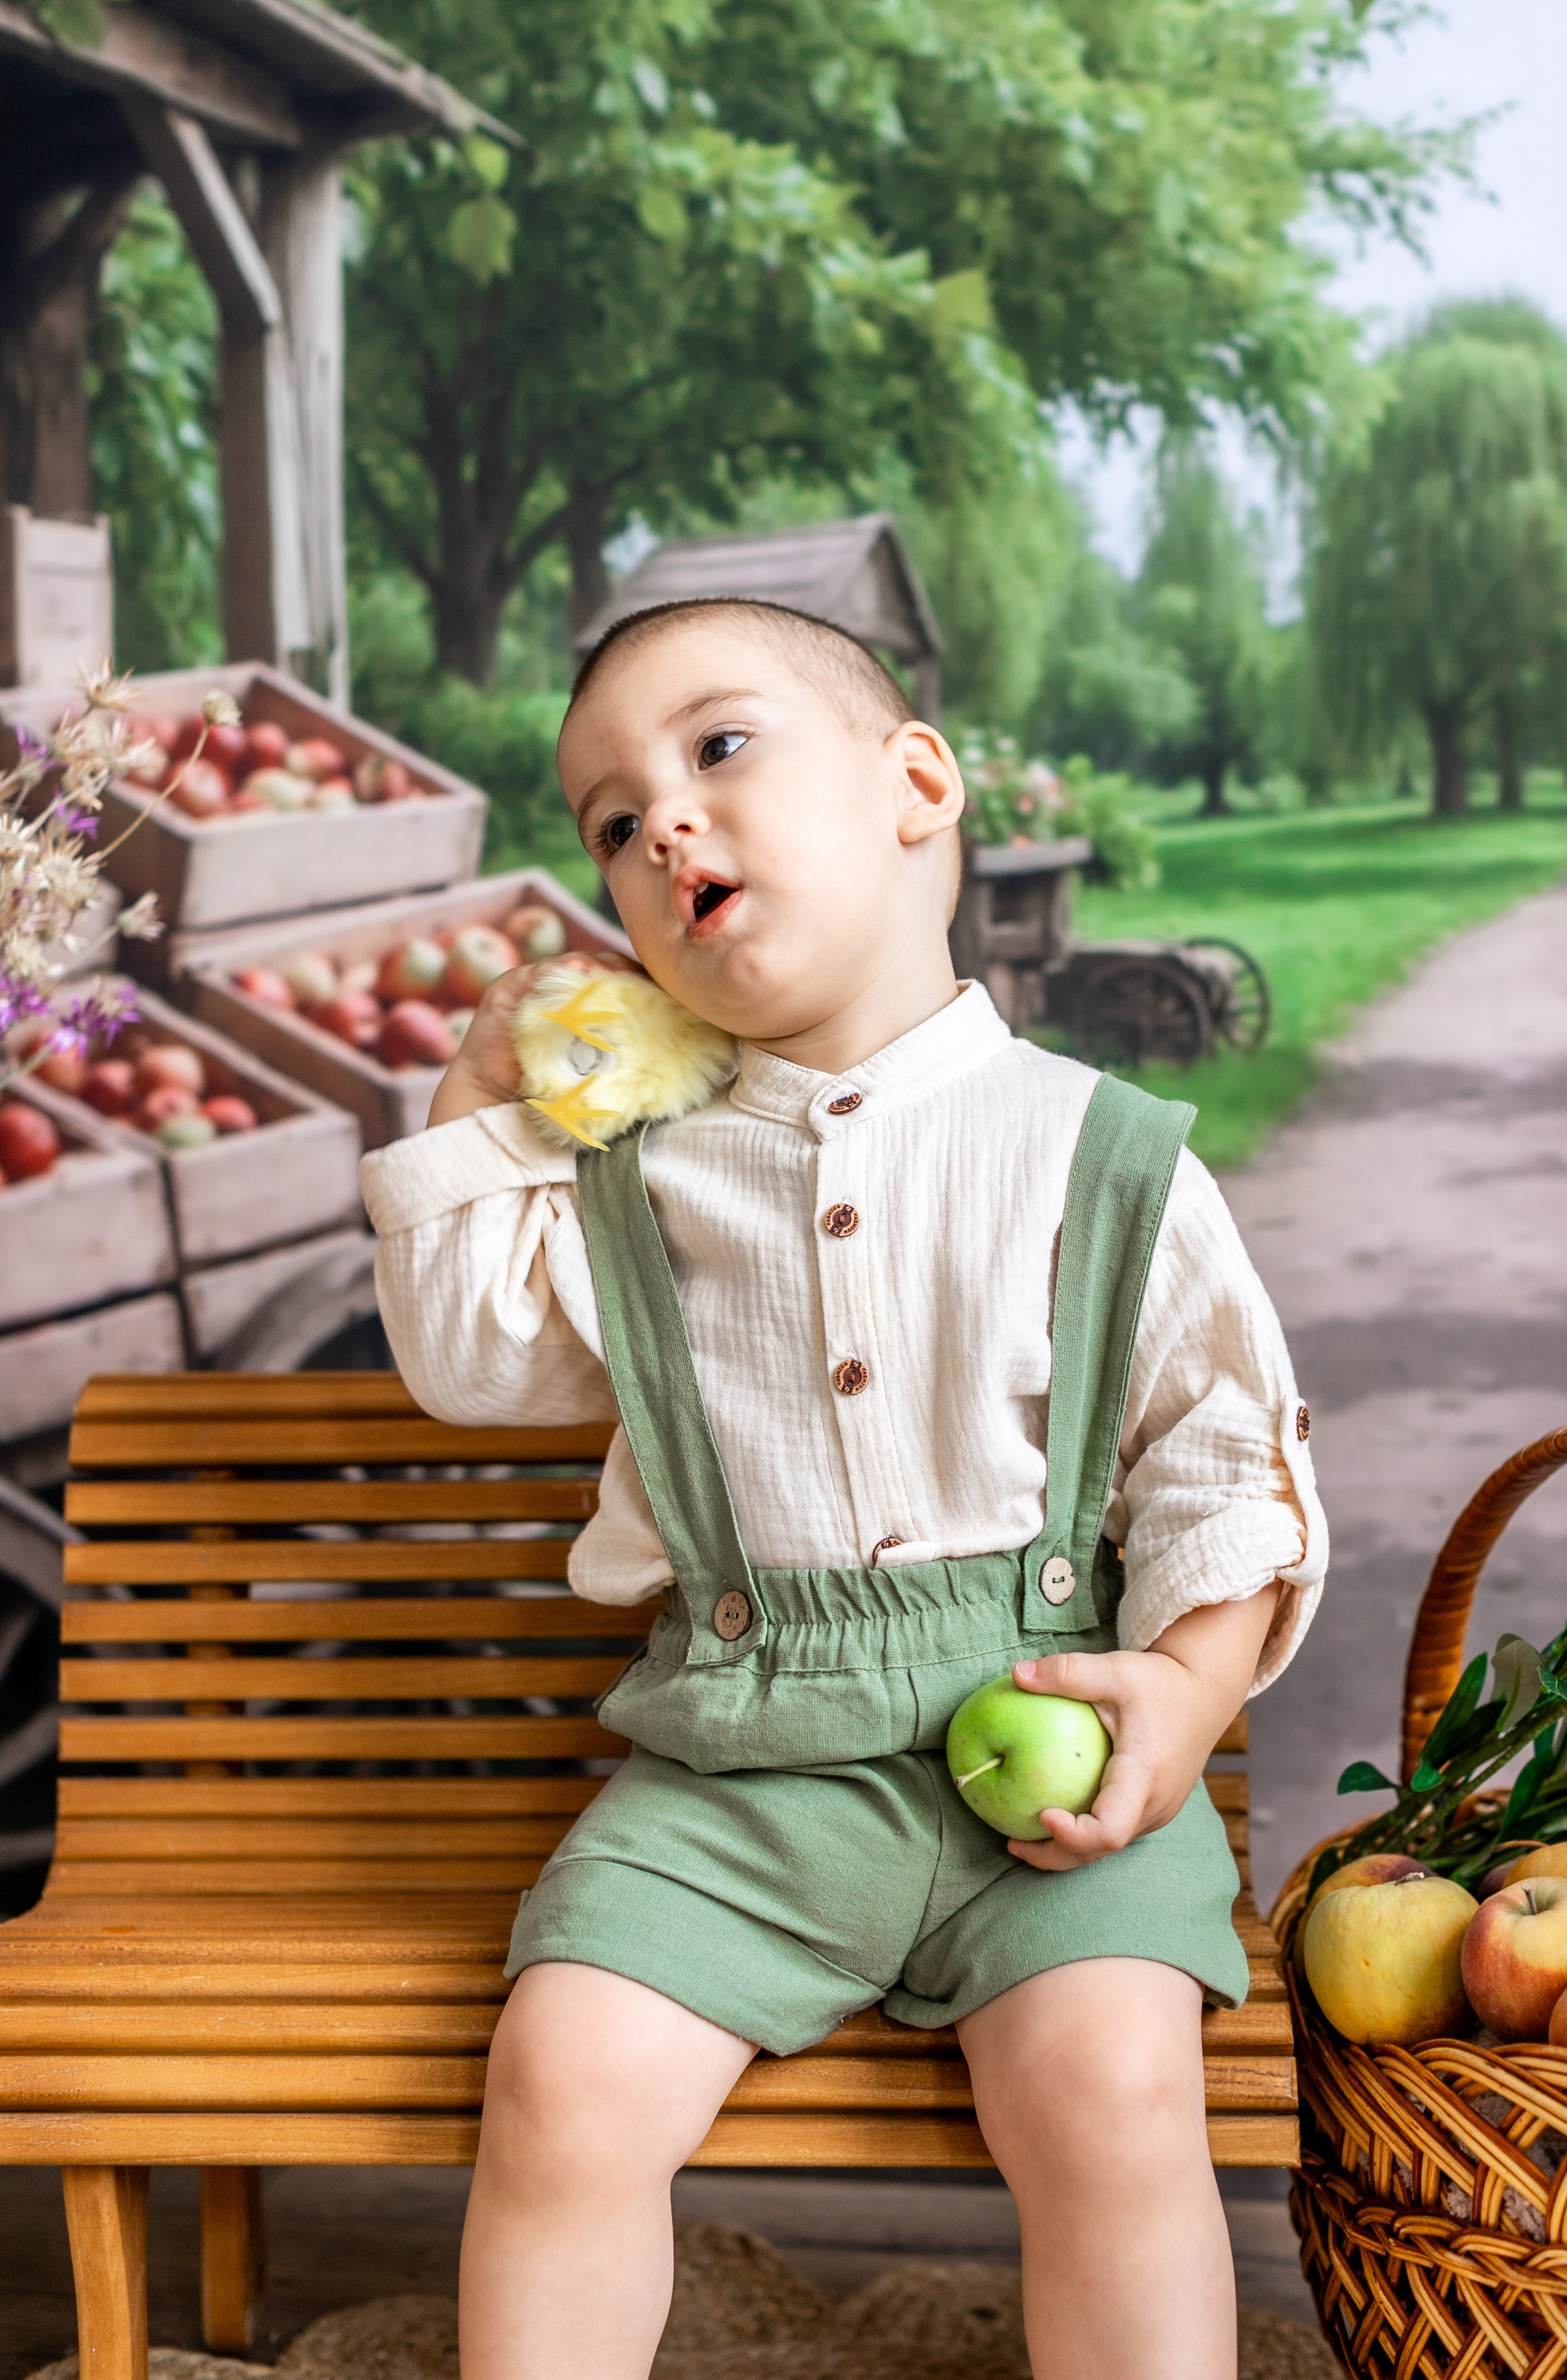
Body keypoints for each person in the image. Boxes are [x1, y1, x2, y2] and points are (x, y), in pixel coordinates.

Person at [362, 597, 1327, 2380]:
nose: (660, 823)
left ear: (915, 786)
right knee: (562, 2079)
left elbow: (1222, 1457)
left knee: (1114, 2096)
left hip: (1057, 1773)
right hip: (741, 1780)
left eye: (718, 749)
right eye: (608, 820)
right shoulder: (637, 1180)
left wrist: (1184, 1697)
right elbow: (472, 1363)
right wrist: (478, 1092)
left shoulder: (1098, 1149)